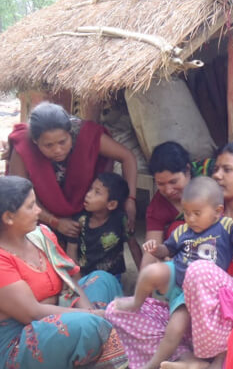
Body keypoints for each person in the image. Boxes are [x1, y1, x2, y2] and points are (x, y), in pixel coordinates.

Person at [106, 141, 233, 369]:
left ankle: (210, 359)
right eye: (216, 169)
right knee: (117, 311)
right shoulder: (202, 222)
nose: (218, 175)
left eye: (227, 169)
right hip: (201, 321)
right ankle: (187, 358)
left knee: (200, 269)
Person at [115, 177, 233, 369]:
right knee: (153, 272)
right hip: (178, 282)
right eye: (186, 213)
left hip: (202, 292)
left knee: (177, 327)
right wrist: (155, 249)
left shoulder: (225, 226)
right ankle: (137, 302)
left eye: (197, 213)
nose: (190, 218)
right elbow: (167, 250)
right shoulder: (182, 231)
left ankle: (162, 363)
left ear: (217, 212)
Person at [0, 176, 126, 369]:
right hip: (19, 337)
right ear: (8, 217)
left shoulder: (42, 235)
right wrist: (91, 317)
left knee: (103, 279)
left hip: (54, 312)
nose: (39, 211)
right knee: (89, 326)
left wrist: (91, 312)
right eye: (31, 206)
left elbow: (70, 280)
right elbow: (32, 313)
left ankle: (92, 347)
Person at [7, 102, 141, 266]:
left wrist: (131, 200)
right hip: (42, 214)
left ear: (70, 133)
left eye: (63, 142)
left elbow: (127, 157)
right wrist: (54, 221)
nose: (57, 150)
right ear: (35, 141)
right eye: (48, 145)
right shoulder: (24, 146)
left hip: (84, 208)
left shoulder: (84, 134)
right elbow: (19, 199)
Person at [142, 141, 216, 267]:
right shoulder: (157, 207)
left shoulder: (210, 172)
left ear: (187, 170)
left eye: (173, 181)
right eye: (161, 184)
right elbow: (150, 253)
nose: (168, 190)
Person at [66, 172, 130, 278]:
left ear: (111, 204)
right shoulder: (80, 220)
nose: (88, 195)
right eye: (91, 189)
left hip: (111, 276)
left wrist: (144, 275)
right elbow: (71, 249)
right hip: (84, 274)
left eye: (97, 192)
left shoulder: (120, 220)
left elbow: (133, 245)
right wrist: (77, 280)